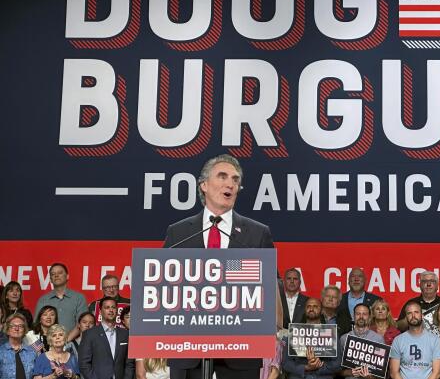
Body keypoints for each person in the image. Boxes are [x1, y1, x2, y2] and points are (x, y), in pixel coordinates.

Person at [162, 154, 275, 379]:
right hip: (188, 349)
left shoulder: (257, 233)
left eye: (235, 179)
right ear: (203, 185)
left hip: (240, 350)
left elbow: (271, 286)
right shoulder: (179, 232)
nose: (230, 183)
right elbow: (165, 284)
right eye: (222, 176)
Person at [282, 298, 340, 379]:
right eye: (308, 306)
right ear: (304, 310)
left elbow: (337, 364)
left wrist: (319, 366)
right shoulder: (295, 332)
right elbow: (286, 363)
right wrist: (306, 367)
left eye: (315, 306)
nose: (311, 309)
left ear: (322, 310)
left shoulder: (330, 332)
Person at [78, 297, 134, 379]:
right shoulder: (89, 334)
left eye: (113, 307)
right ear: (100, 311)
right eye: (107, 307)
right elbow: (84, 364)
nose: (111, 310)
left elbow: (129, 363)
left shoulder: (125, 334)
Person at [389, 300, 440, 379]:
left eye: (416, 312)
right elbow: (394, 373)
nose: (413, 315)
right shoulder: (398, 340)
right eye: (409, 313)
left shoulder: (434, 340)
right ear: (406, 317)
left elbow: (437, 372)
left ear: (422, 315)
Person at [35, 263, 87, 340]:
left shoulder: (78, 298)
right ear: (50, 279)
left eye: (60, 273)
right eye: (53, 274)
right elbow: (37, 324)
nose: (56, 275)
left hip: (72, 344)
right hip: (48, 345)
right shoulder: (43, 300)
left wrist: (65, 341)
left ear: (67, 276)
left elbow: (82, 324)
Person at [339, 303, 385, 378]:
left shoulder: (378, 339)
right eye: (358, 314)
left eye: (364, 314)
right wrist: (349, 372)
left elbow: (381, 372)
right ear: (353, 316)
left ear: (369, 317)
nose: (361, 317)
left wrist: (370, 377)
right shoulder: (344, 338)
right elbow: (336, 370)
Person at [0, 313, 36, 379]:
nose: (17, 329)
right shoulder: (1, 352)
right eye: (13, 326)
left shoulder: (32, 352)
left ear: (24, 330)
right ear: (7, 330)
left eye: (20, 326)